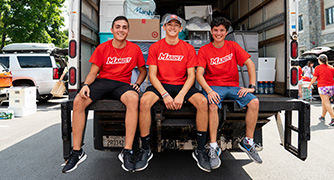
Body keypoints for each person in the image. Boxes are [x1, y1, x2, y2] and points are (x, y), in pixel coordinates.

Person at [62, 16, 147, 173]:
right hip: (103, 82)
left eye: (124, 27)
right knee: (79, 101)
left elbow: (143, 71)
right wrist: (86, 85)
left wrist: (137, 84)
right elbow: (93, 72)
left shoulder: (134, 49)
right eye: (118, 27)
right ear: (112, 30)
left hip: (122, 84)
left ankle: (127, 151)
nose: (121, 30)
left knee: (134, 99)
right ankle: (77, 151)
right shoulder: (102, 48)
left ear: (128, 31)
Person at [136, 14, 211, 172]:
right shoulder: (156, 47)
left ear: (180, 28)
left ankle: (201, 150)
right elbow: (152, 76)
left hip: (182, 85)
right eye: (169, 24)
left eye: (176, 25)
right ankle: (145, 150)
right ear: (163, 27)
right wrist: (164, 95)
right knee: (144, 102)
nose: (172, 27)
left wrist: (181, 95)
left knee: (203, 102)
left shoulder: (188, 48)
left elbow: (191, 76)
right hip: (160, 85)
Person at [196, 17, 262, 168]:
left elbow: (250, 63)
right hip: (214, 86)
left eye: (222, 30)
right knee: (212, 106)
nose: (218, 33)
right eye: (215, 30)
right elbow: (199, 74)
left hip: (232, 87)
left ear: (226, 32)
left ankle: (248, 141)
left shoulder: (232, 46)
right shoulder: (205, 50)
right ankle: (213, 146)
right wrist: (209, 90)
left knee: (254, 101)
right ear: (211, 32)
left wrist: (251, 86)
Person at [308, 54, 334, 126]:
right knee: (324, 102)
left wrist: (310, 84)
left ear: (319, 60)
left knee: (326, 102)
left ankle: (333, 118)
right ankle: (323, 116)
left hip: (323, 87)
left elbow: (314, 78)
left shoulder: (318, 68)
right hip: (331, 87)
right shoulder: (331, 67)